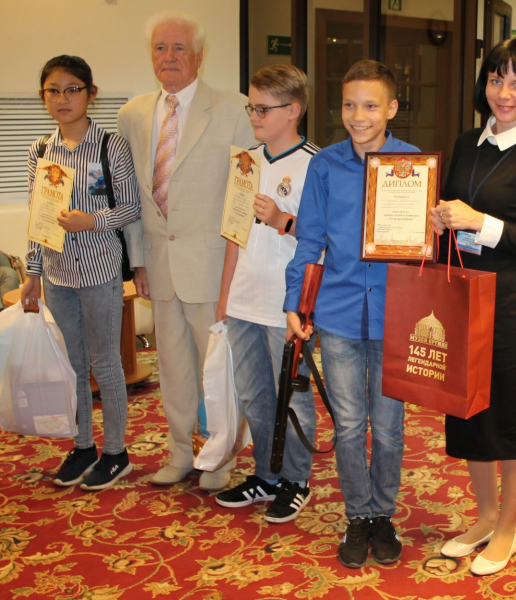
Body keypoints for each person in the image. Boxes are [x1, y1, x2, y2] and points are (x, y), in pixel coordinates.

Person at [430, 38, 516, 576]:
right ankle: (485, 516)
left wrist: (477, 222)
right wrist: (440, 218)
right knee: (469, 414)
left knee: (508, 420)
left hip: (508, 309)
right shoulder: (468, 142)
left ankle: (508, 526)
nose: (503, 93)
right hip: (460, 299)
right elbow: (450, 207)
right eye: (495, 80)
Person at [285, 60, 418, 568]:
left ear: (391, 108)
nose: (358, 116)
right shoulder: (324, 166)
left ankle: (383, 514)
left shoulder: (414, 165)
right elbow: (309, 241)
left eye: (370, 105)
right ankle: (358, 516)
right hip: (337, 314)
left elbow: (424, 246)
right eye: (349, 105)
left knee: (387, 428)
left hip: (394, 315)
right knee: (347, 425)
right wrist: (296, 304)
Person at [117, 12, 255, 489]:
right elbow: (132, 196)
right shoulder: (133, 114)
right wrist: (137, 262)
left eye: (179, 48)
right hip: (159, 265)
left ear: (199, 55)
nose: (169, 57)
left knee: (217, 369)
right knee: (173, 368)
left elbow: (244, 194)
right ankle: (181, 451)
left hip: (213, 265)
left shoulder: (235, 108)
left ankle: (219, 458)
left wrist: (237, 268)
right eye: (160, 48)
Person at [21, 55, 141, 491]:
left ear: (91, 94)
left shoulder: (111, 146)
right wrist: (33, 273)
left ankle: (116, 452)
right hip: (57, 275)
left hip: (99, 270)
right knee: (70, 365)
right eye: (53, 91)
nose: (62, 98)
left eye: (72, 89)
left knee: (105, 363)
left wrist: (91, 220)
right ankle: (83, 445)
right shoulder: (40, 150)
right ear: (43, 97)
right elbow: (38, 216)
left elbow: (131, 208)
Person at [214, 65, 319, 523]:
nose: (254, 116)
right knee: (254, 393)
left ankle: (296, 479)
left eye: (263, 109)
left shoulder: (316, 164)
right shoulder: (245, 161)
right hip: (243, 298)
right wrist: (225, 297)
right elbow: (233, 235)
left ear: (293, 110)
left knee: (291, 396)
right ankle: (266, 474)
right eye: (251, 108)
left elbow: (325, 240)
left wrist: (282, 221)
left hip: (287, 304)